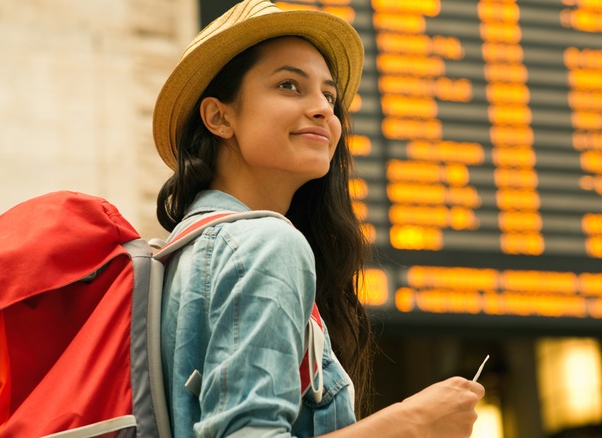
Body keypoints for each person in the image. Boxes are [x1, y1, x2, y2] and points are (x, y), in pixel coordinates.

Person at [152, 0, 485, 436]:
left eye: (329, 95)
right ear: (219, 116)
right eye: (289, 85)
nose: (324, 109)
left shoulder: (180, 253)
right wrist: (412, 422)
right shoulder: (267, 243)